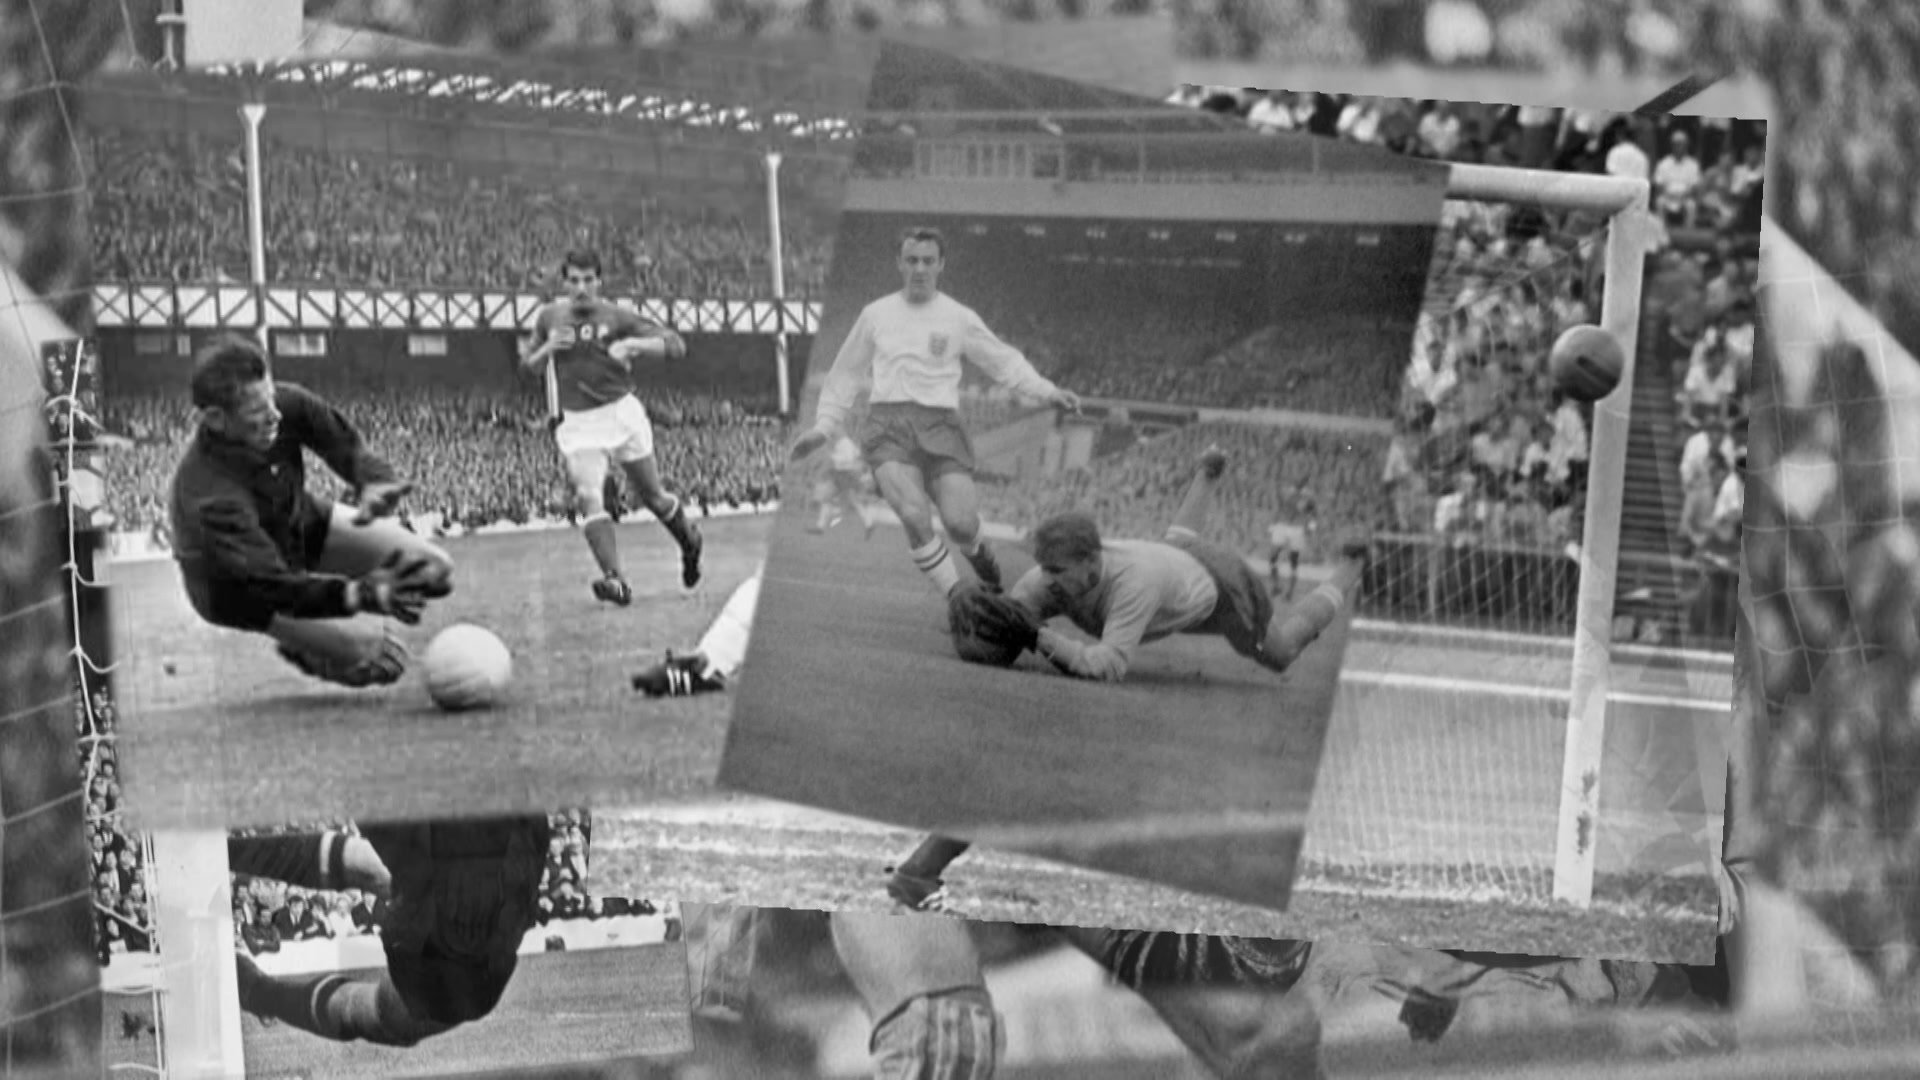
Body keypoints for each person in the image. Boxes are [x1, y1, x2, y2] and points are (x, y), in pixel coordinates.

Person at [894, 446, 1368, 910]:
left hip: (1218, 589)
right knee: (1175, 540)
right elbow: (1010, 624)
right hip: (1170, 555)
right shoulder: (1050, 579)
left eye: (1059, 570)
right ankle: (1206, 473)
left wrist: (1038, 635)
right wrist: (979, 620)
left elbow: (1108, 666)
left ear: (1091, 562)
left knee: (1280, 650)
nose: (1048, 580)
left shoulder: (1131, 586)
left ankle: (1348, 571)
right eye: (1046, 569)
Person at [790, 226, 1081, 598]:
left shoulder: (958, 317)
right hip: (888, 428)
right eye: (912, 260)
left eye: (928, 261)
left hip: (941, 426)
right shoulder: (875, 314)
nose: (920, 268)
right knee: (914, 514)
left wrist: (1048, 390)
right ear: (899, 263)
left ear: (941, 265)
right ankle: (959, 599)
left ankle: (984, 564)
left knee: (961, 525)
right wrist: (824, 426)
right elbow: (845, 372)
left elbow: (1003, 361)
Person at [167, 336, 453, 688]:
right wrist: (361, 595)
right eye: (257, 412)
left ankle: (314, 631)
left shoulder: (285, 404)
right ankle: (305, 648)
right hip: (240, 590)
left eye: (271, 398)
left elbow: (341, 441)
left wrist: (373, 478)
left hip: (297, 525)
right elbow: (271, 584)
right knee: (379, 657)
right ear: (215, 418)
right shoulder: (208, 493)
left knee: (433, 569)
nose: (275, 415)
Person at [230, 814, 549, 1048]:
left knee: (381, 1014)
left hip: (458, 963)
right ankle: (259, 991)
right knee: (377, 1014)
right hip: (462, 954)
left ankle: (259, 991)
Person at [522, 248, 703, 605]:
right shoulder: (549, 317)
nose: (581, 288)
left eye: (588, 280)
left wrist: (633, 344)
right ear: (564, 282)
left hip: (620, 414)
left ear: (599, 281)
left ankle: (689, 541)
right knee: (588, 494)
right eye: (574, 280)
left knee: (653, 497)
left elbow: (676, 345)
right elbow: (529, 367)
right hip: (578, 423)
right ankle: (615, 580)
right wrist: (548, 349)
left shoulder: (616, 316)